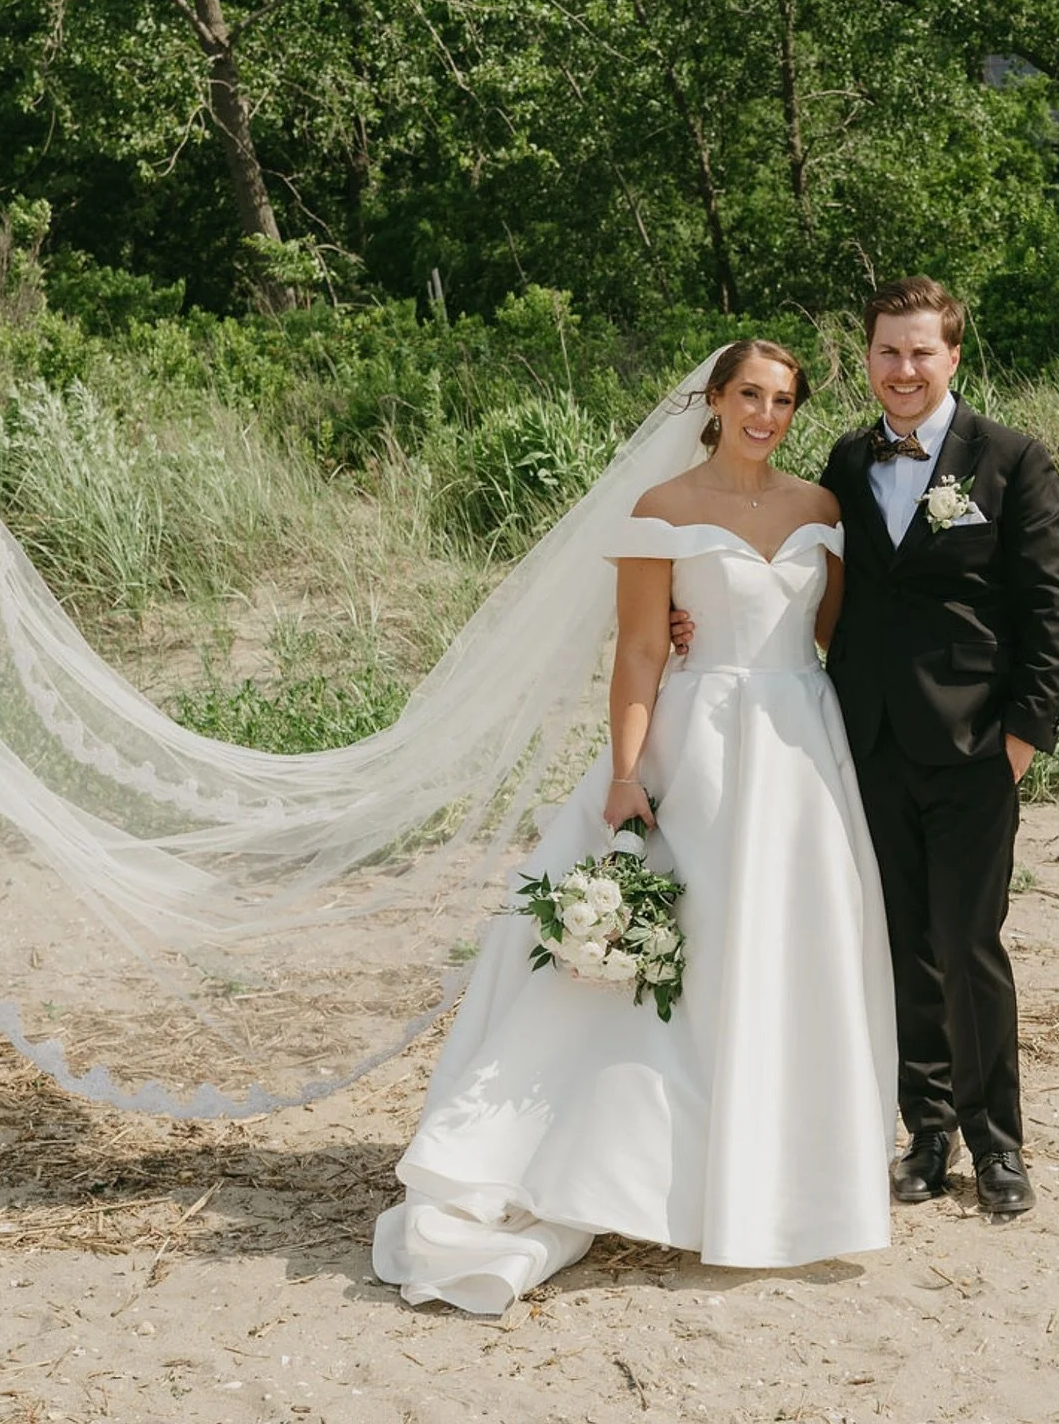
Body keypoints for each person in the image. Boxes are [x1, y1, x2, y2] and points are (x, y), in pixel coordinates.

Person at [371, 340, 897, 1315]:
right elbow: (644, 649)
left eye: (783, 400)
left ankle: (781, 1173)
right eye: (750, 395)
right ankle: (650, 1172)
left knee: (793, 947)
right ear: (716, 399)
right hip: (699, 746)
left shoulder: (821, 509)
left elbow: (839, 635)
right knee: (697, 949)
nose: (766, 415)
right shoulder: (663, 510)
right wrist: (624, 773)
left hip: (800, 746)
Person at [819, 276, 1059, 1216]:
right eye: (888, 350)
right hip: (871, 741)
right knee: (901, 944)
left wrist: (1025, 735)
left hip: (976, 744)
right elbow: (818, 581)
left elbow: (1050, 608)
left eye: (921, 350)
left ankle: (996, 1142)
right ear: (868, 357)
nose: (904, 368)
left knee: (969, 944)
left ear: (953, 355)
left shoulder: (1010, 459)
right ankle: (925, 1132)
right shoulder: (845, 461)